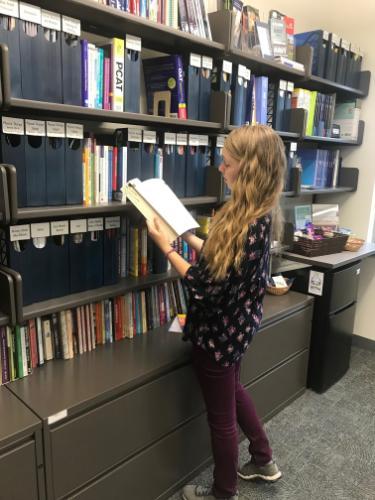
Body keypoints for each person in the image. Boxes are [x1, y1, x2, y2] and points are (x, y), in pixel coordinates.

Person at [147, 124, 286, 500]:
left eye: (226, 164)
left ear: (248, 169)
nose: (220, 170)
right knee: (235, 390)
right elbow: (222, 258)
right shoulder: (257, 213)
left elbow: (204, 284)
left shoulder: (240, 224)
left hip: (217, 337)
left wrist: (167, 247)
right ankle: (263, 458)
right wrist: (188, 235)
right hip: (239, 330)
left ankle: (223, 492)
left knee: (221, 420)